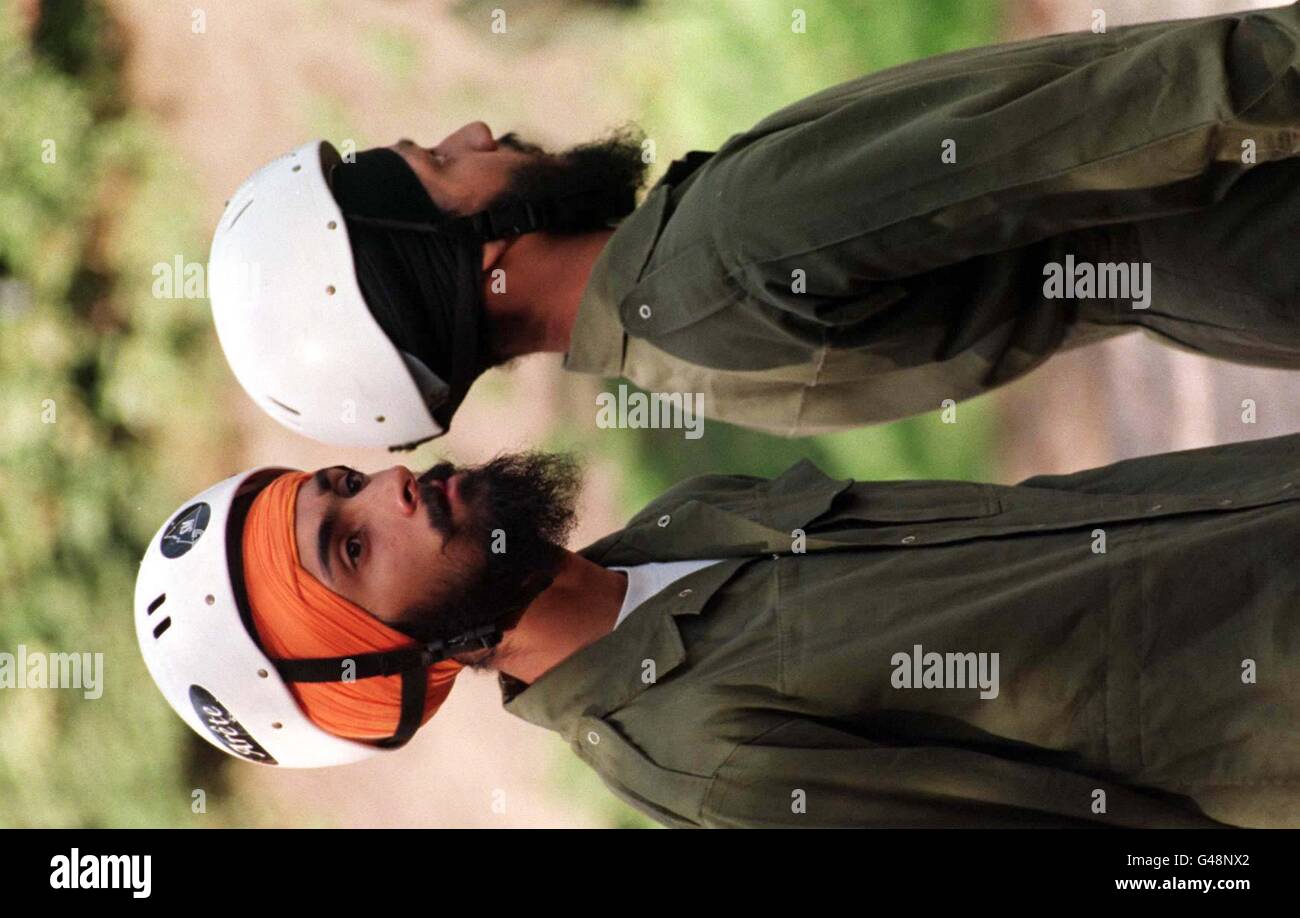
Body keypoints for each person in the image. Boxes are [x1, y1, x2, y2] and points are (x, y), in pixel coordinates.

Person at [208, 2, 1300, 447]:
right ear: (473, 261)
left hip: (1225, 285)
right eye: (445, 163)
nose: (478, 126)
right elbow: (1103, 123)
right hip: (1246, 208)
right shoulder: (724, 250)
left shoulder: (680, 354)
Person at [136, 434, 1300, 828]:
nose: (394, 488)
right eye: (352, 550)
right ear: (395, 663)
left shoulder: (676, 524)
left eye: (341, 484)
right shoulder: (710, 756)